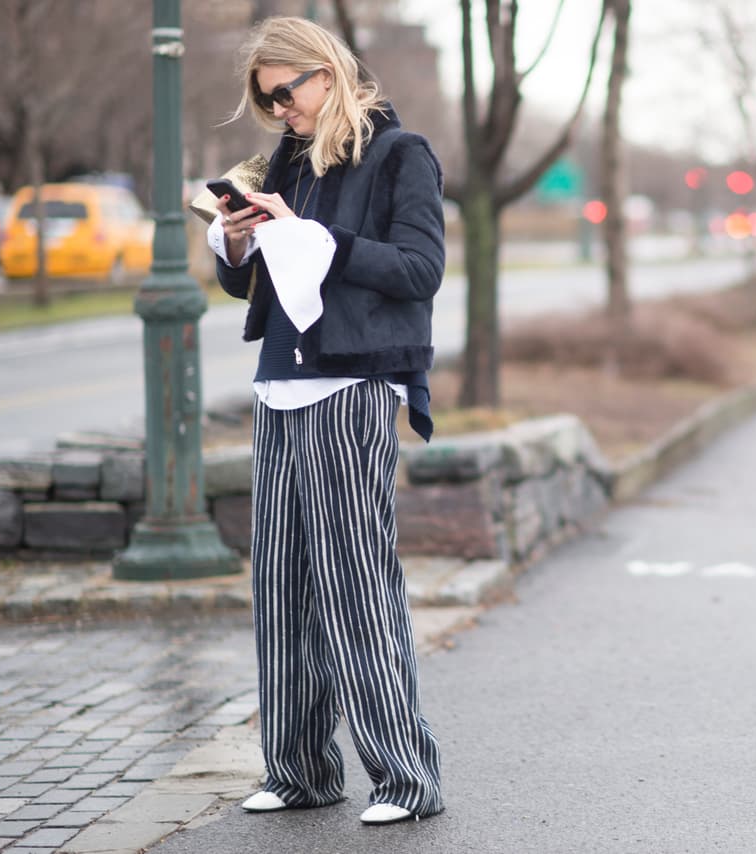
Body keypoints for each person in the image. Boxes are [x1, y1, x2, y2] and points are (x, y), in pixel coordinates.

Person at [207, 15, 444, 825]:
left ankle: (406, 778)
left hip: (352, 390)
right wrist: (238, 245)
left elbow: (420, 270)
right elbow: (259, 289)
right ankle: (301, 769)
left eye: (286, 92)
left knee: (355, 587)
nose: (278, 110)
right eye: (264, 100)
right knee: (280, 587)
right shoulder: (287, 163)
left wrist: (321, 240)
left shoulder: (398, 155)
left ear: (328, 72)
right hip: (279, 389)